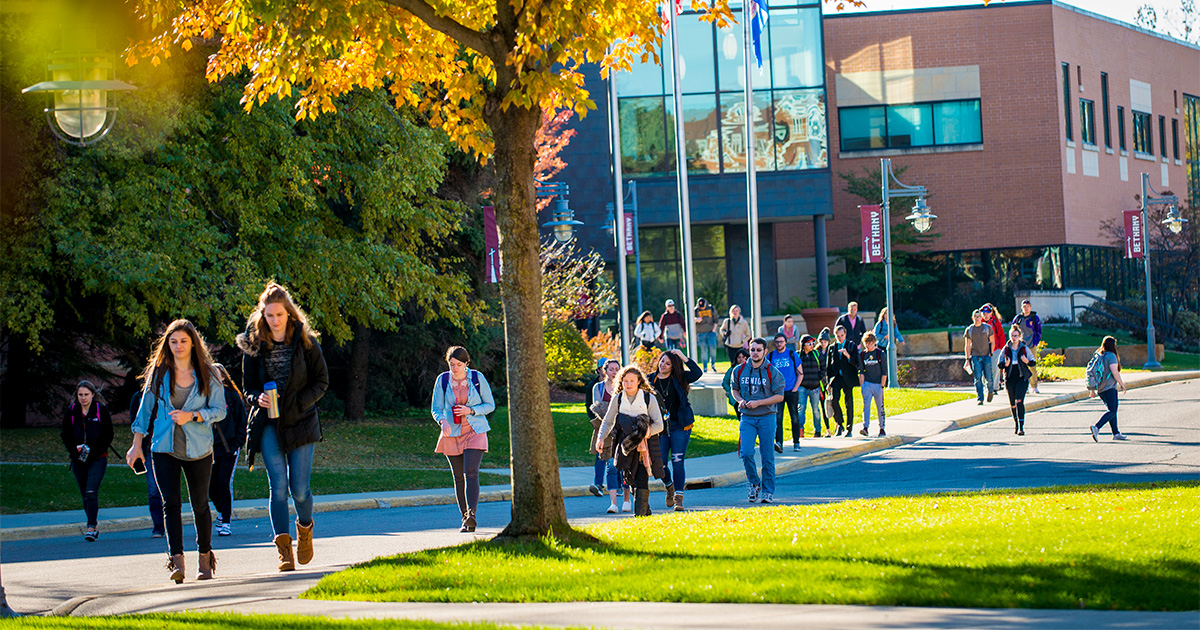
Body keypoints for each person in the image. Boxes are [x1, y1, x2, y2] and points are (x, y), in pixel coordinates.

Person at [125, 319, 227, 583]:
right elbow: (144, 411)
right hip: (163, 448)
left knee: (200, 505)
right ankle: (177, 563)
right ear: (167, 344)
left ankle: (205, 560)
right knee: (170, 505)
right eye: (173, 341)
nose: (178, 346)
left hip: (199, 450)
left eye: (183, 341)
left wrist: (192, 415)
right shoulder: (159, 374)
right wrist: (137, 445)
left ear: (193, 342)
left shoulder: (208, 373)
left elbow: (220, 411)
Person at [238, 282, 329, 572]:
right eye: (269, 316)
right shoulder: (254, 346)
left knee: (299, 490)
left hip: (300, 421)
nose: (274, 320)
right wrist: (257, 398)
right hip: (268, 423)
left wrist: (301, 402)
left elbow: (321, 381)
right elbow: (247, 387)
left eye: (279, 315)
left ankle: (305, 528)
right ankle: (284, 551)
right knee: (278, 488)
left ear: (289, 313)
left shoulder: (306, 342)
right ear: (262, 316)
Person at [431, 346, 496, 532]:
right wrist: (442, 420)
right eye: (452, 364)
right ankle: (465, 519)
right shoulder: (443, 380)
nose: (455, 368)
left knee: (471, 471)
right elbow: (436, 408)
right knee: (458, 476)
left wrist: (471, 410)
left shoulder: (476, 378)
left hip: (475, 429)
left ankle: (472, 514)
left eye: (459, 364)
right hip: (451, 431)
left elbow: (490, 404)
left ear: (466, 363)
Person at [596, 365, 665, 516]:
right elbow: (608, 421)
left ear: (639, 381)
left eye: (632, 381)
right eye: (625, 381)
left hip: (644, 446)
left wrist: (644, 433)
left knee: (641, 477)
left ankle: (639, 515)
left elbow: (659, 425)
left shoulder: (648, 398)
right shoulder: (618, 398)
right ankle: (645, 510)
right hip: (624, 445)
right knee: (630, 479)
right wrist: (601, 438)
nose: (628, 384)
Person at [731, 338, 786, 504]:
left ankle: (768, 491)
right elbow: (734, 389)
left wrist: (759, 403)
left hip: (767, 417)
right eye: (752, 349)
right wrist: (739, 400)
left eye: (758, 350)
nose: (755, 353)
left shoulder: (772, 372)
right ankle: (754, 483)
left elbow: (779, 396)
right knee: (746, 452)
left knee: (767, 456)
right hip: (747, 417)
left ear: (765, 352)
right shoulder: (739, 370)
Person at [61, 380, 113, 542]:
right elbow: (65, 434)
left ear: (92, 395)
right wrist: (75, 450)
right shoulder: (72, 411)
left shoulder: (100, 410)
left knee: (91, 491)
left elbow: (108, 434)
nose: (83, 398)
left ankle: (91, 527)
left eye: (86, 395)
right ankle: (93, 525)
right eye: (80, 395)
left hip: (98, 457)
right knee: (85, 494)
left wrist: (93, 450)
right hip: (78, 459)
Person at [652, 349, 702, 511]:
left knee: (678, 461)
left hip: (679, 425)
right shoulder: (650, 380)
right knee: (659, 464)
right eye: (662, 361)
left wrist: (682, 356)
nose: (663, 365)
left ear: (673, 366)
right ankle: (669, 485)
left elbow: (697, 372)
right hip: (659, 428)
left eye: (668, 363)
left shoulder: (679, 378)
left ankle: (678, 497)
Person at [209, 364, 247, 537]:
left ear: (223, 377)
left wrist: (237, 443)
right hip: (209, 450)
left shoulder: (231, 397)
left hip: (228, 448)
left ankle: (226, 522)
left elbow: (242, 421)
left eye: (216, 374)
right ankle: (222, 511)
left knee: (223, 483)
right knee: (210, 487)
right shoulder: (204, 396)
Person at [589, 358, 630, 513]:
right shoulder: (598, 388)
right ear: (604, 371)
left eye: (617, 369)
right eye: (611, 369)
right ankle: (613, 503)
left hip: (623, 430)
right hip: (606, 432)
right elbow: (598, 408)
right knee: (611, 466)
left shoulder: (624, 386)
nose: (614, 372)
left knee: (625, 465)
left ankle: (626, 499)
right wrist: (611, 421)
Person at [129, 393, 164, 538]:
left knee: (167, 489)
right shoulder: (138, 397)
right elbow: (136, 422)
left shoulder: (167, 394)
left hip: (168, 447)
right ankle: (159, 527)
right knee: (153, 489)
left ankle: (170, 523)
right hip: (149, 448)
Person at [996, 325, 1036, 436]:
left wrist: (1026, 360)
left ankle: (1021, 427)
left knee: (1019, 401)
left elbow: (1033, 362)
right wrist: (1006, 364)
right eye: (1012, 336)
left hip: (1021, 376)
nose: (1014, 338)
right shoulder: (1006, 348)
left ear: (1019, 336)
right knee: (1012, 403)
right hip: (1010, 377)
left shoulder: (1024, 348)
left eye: (1016, 336)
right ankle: (1016, 424)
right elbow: (999, 364)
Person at [767, 333, 803, 451]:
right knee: (778, 418)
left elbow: (800, 373)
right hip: (777, 392)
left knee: (794, 417)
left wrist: (795, 389)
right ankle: (779, 443)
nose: (779, 344)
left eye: (781, 341)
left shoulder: (792, 354)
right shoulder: (771, 356)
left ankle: (796, 442)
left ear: (785, 342)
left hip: (791, 390)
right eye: (777, 342)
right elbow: (766, 373)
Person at [1089, 336, 1128, 441]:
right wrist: (1122, 384)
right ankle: (1097, 427)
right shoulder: (1111, 356)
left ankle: (1116, 433)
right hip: (1109, 388)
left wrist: (1092, 390)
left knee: (1112, 410)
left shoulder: (1100, 355)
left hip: (1101, 389)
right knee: (1112, 411)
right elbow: (1114, 372)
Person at [827, 326, 860, 437]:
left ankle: (849, 427)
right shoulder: (832, 347)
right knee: (834, 400)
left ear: (845, 334)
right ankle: (839, 424)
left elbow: (857, 362)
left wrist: (848, 356)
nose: (840, 338)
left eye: (842, 335)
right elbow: (829, 367)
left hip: (848, 378)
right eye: (838, 336)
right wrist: (828, 382)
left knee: (849, 402)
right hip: (836, 378)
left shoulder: (851, 346)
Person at [858, 332, 887, 437]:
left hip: (878, 384)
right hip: (867, 383)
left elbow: (884, 371)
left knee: (880, 406)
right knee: (866, 405)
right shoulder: (862, 355)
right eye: (866, 343)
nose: (868, 346)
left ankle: (882, 427)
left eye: (870, 343)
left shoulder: (880, 354)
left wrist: (882, 386)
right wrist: (862, 385)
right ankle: (865, 427)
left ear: (874, 343)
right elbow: (861, 371)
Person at [964, 309, 996, 405]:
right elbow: (967, 345)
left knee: (989, 377)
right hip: (975, 356)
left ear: (981, 317)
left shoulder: (987, 328)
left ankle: (990, 391)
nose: (977, 319)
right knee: (978, 378)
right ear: (972, 318)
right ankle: (980, 398)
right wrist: (967, 358)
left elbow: (992, 341)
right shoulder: (969, 330)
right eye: (975, 317)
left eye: (979, 317)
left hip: (986, 355)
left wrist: (991, 352)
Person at [1012, 299, 1043, 394]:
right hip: (1020, 345)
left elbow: (1039, 331)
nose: (1026, 308)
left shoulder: (1034, 318)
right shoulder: (1018, 318)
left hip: (1031, 345)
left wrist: (1035, 342)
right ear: (1022, 308)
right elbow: (1012, 330)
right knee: (1021, 366)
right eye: (1024, 307)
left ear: (1031, 307)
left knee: (1032, 365)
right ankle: (1024, 387)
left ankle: (1034, 386)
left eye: (1028, 306)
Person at [797, 335, 825, 439]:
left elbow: (823, 367)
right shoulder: (798, 355)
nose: (812, 345)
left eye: (813, 343)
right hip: (802, 387)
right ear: (803, 345)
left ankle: (818, 430)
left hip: (815, 386)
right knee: (801, 408)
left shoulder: (817, 354)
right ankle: (800, 429)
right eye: (809, 343)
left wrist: (819, 378)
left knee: (816, 409)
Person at [981, 304, 1007, 395]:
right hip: (983, 350)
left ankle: (995, 387)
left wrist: (1002, 349)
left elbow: (1001, 336)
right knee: (984, 369)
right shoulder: (980, 322)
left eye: (987, 313)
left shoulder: (995, 322)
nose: (985, 315)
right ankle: (987, 387)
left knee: (995, 369)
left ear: (991, 313)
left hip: (995, 349)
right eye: (983, 313)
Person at [722, 348, 751, 422]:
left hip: (748, 398)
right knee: (741, 419)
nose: (741, 359)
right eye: (739, 357)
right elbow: (725, 382)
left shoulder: (751, 369)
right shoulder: (732, 369)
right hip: (736, 399)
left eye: (743, 357)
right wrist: (729, 391)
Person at [816, 328, 834, 438]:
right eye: (821, 342)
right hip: (821, 383)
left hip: (831, 381)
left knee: (833, 403)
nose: (823, 344)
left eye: (825, 342)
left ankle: (838, 425)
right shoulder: (817, 352)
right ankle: (828, 429)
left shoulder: (831, 350)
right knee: (823, 406)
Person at [694, 297, 719, 372]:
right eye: (700, 307)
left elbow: (716, 319)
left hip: (711, 332)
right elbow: (690, 319)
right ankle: (705, 367)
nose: (702, 308)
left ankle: (713, 364)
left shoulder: (711, 308)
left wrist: (714, 330)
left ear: (705, 303)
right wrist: (696, 319)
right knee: (704, 350)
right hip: (701, 333)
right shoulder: (696, 310)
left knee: (713, 348)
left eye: (703, 306)